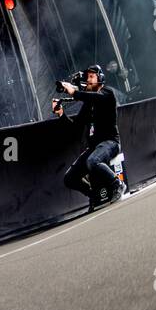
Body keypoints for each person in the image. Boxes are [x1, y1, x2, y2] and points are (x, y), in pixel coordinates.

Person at [53, 64, 121, 209]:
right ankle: (93, 195)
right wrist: (61, 114)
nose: (88, 80)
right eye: (87, 77)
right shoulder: (88, 103)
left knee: (93, 161)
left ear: (100, 78)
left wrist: (73, 92)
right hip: (94, 147)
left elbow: (94, 96)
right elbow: (75, 128)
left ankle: (117, 184)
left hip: (110, 143)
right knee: (69, 178)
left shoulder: (107, 93)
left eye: (91, 76)